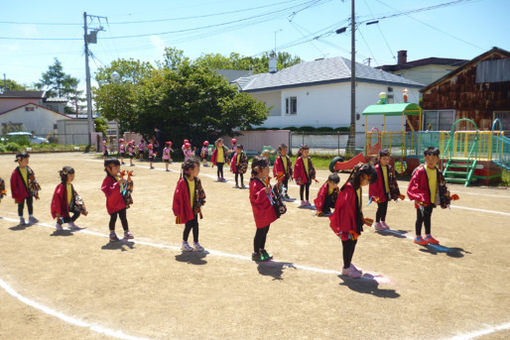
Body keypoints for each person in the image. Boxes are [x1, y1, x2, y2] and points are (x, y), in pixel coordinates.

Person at [329, 164, 377, 278]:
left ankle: (348, 264)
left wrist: (361, 219)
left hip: (353, 221)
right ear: (361, 176)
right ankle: (346, 268)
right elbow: (344, 209)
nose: (367, 184)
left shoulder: (356, 187)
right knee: (347, 243)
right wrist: (348, 228)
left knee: (353, 242)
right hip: (347, 224)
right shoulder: (349, 188)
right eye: (367, 181)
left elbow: (356, 206)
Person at [407, 147, 454, 246]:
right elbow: (412, 186)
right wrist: (419, 197)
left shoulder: (437, 172)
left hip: (431, 199)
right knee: (420, 218)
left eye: (434, 158)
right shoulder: (420, 171)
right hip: (421, 201)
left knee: (428, 217)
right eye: (428, 158)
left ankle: (428, 235)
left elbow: (442, 185)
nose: (431, 161)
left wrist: (446, 195)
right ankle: (418, 236)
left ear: (438, 159)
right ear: (424, 158)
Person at [249, 156, 280, 262]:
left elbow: (269, 193)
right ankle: (256, 253)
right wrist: (264, 191)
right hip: (260, 212)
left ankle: (262, 249)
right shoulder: (254, 183)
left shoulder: (263, 180)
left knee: (265, 230)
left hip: (266, 210)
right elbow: (255, 197)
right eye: (266, 167)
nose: (269, 169)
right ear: (259, 169)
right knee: (260, 232)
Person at [172, 158, 206, 252]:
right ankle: (184, 243)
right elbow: (177, 197)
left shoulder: (196, 180)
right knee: (188, 225)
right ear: (190, 170)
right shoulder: (183, 182)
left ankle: (196, 243)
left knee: (196, 225)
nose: (198, 171)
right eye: (197, 169)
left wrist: (202, 199)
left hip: (194, 208)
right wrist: (177, 210)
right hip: (186, 209)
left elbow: (201, 191)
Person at [369, 149, 405, 231]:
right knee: (380, 208)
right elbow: (373, 184)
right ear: (379, 158)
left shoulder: (389, 168)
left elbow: (393, 180)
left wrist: (396, 192)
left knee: (385, 207)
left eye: (387, 159)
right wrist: (376, 195)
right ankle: (377, 223)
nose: (386, 161)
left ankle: (383, 221)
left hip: (386, 191)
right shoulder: (376, 169)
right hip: (379, 193)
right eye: (384, 159)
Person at [101, 158, 134, 242]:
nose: (118, 170)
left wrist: (128, 182)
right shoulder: (107, 180)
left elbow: (126, 188)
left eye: (119, 168)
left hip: (121, 202)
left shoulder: (118, 177)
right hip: (112, 204)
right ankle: (112, 233)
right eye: (116, 168)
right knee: (113, 218)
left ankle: (126, 231)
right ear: (108, 168)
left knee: (123, 217)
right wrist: (117, 184)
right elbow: (107, 191)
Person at [51, 166, 88, 231]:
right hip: (63, 207)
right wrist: (57, 211)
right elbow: (56, 200)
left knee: (77, 212)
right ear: (65, 176)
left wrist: (82, 208)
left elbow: (75, 196)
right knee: (66, 218)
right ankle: (58, 223)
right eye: (70, 176)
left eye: (73, 175)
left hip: (69, 205)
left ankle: (70, 223)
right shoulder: (61, 187)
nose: (72, 177)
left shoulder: (70, 185)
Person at [10, 152, 40, 225]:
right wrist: (15, 194)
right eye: (25, 160)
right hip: (20, 192)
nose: (27, 161)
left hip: (29, 190)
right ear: (19, 161)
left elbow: (32, 177)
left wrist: (34, 185)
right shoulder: (15, 172)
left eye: (27, 159)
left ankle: (31, 216)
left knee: (30, 203)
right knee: (21, 205)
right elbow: (13, 184)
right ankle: (21, 218)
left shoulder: (28, 169)